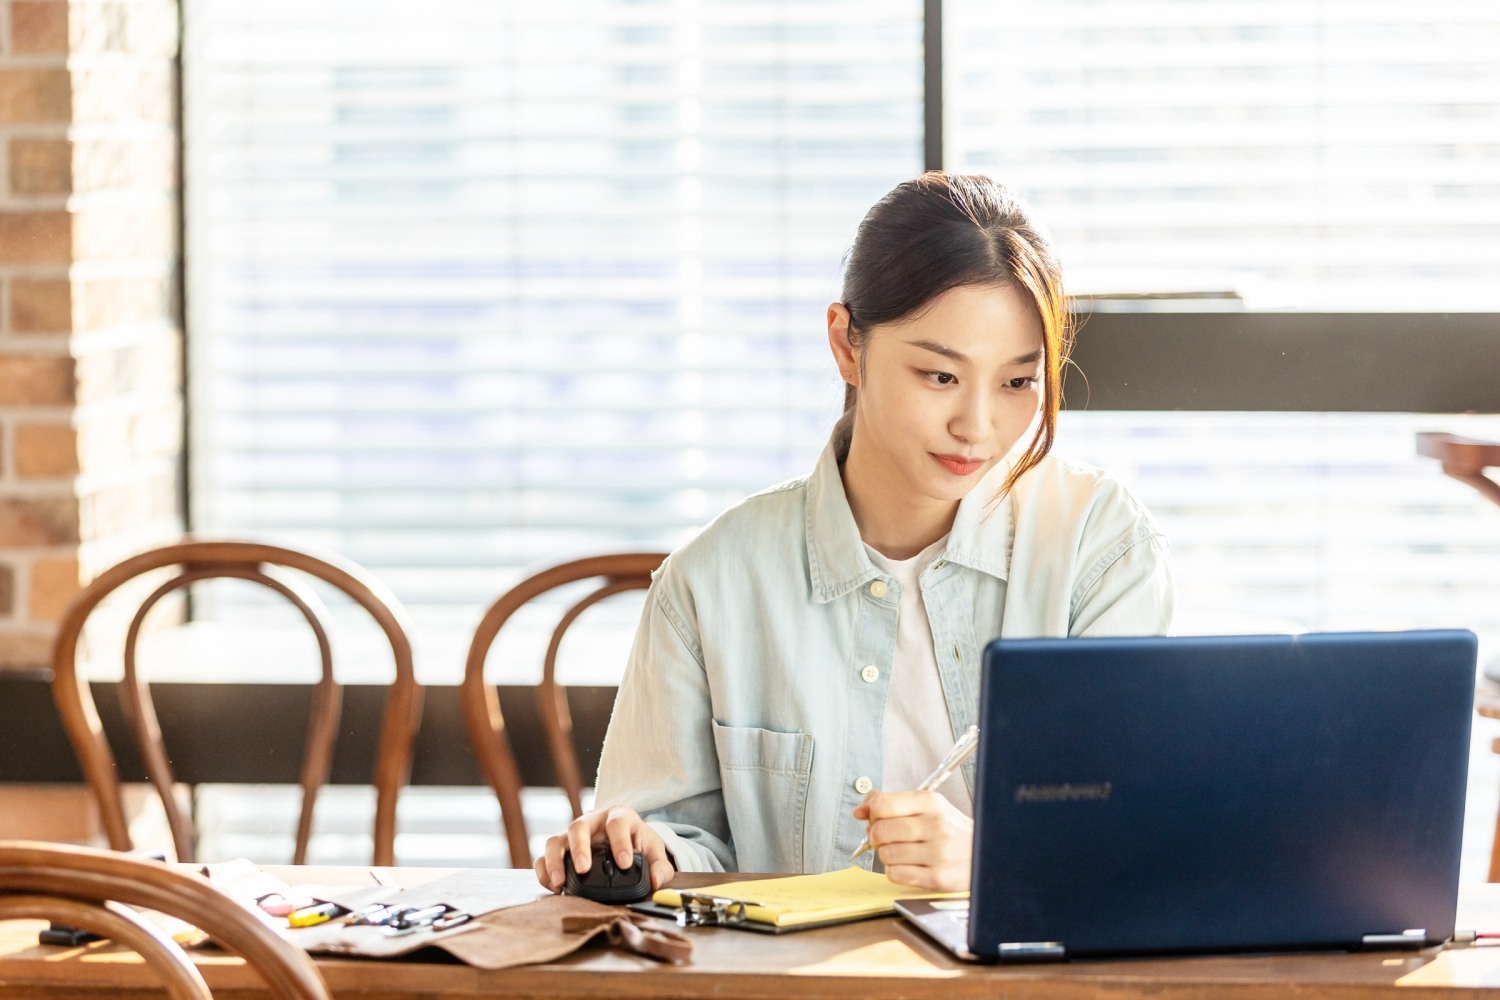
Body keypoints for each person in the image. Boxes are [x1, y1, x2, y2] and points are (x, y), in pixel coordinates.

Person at [535, 172, 1174, 895]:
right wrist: (647, 849)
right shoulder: (709, 585)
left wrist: (994, 858)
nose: (978, 425)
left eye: (1017, 383)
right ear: (846, 345)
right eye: (939, 376)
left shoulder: (1100, 548)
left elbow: (1140, 841)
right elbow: (681, 843)